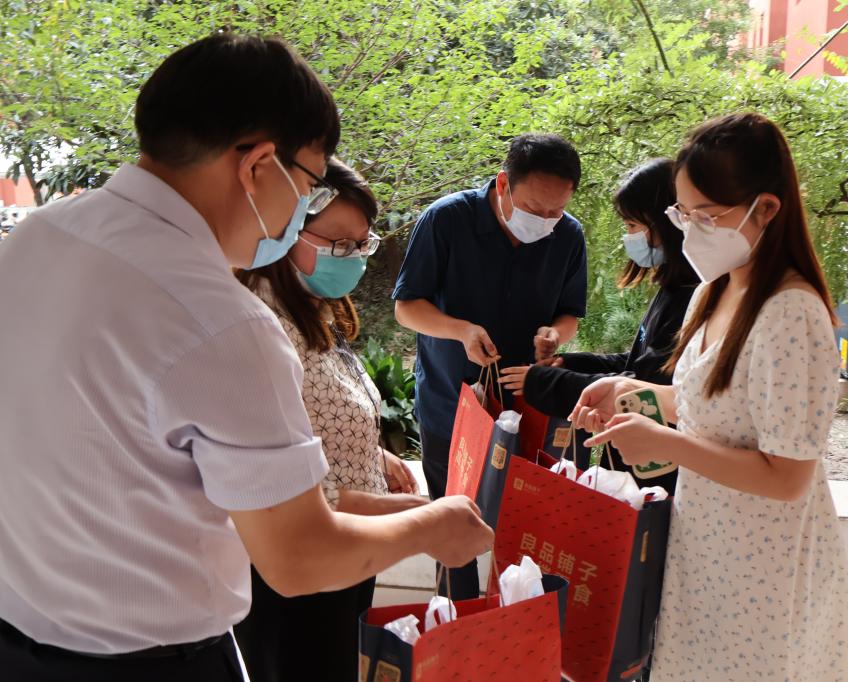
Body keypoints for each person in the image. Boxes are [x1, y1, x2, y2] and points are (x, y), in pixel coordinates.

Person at [0, 34, 491, 682]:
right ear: (259, 164)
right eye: (309, 183)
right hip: (152, 662)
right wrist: (431, 527)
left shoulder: (36, 238)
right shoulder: (223, 321)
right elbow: (299, 557)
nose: (301, 208)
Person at [571, 113, 848, 681]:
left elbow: (787, 475)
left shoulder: (790, 313)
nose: (691, 229)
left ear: (766, 208)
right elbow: (710, 402)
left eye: (706, 215)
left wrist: (664, 443)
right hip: (706, 540)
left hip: (764, 562)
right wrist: (630, 392)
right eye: (683, 213)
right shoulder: (714, 289)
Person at [233, 159, 420, 682]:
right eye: (338, 243)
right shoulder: (262, 321)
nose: (353, 257)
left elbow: (313, 410)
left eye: (361, 244)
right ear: (287, 229)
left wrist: (370, 452)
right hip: (303, 557)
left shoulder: (310, 303)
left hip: (343, 549)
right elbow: (279, 469)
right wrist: (421, 522)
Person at [392, 133, 588, 599]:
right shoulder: (446, 219)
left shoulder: (568, 234)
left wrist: (554, 335)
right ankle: (455, 616)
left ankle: (515, 616)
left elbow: (569, 314)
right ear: (503, 184)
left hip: (527, 406)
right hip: (451, 403)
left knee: (526, 525)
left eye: (556, 211)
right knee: (450, 527)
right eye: (534, 208)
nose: (545, 220)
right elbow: (407, 307)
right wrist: (461, 331)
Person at [498, 158, 700, 490]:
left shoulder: (692, 297)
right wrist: (574, 363)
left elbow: (649, 387)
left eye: (633, 225)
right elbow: (638, 364)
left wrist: (545, 382)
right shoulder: (672, 288)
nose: (628, 236)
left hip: (659, 469)